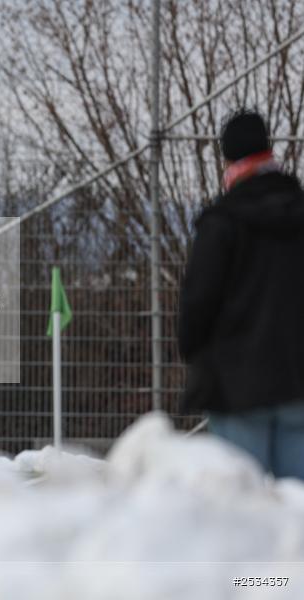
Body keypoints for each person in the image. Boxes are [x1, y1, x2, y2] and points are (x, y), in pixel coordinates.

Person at [179, 108, 304, 478]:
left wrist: (194, 351)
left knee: (244, 503)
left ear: (228, 158)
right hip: (300, 379)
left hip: (237, 384)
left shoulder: (222, 222)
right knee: (295, 508)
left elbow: (198, 303)